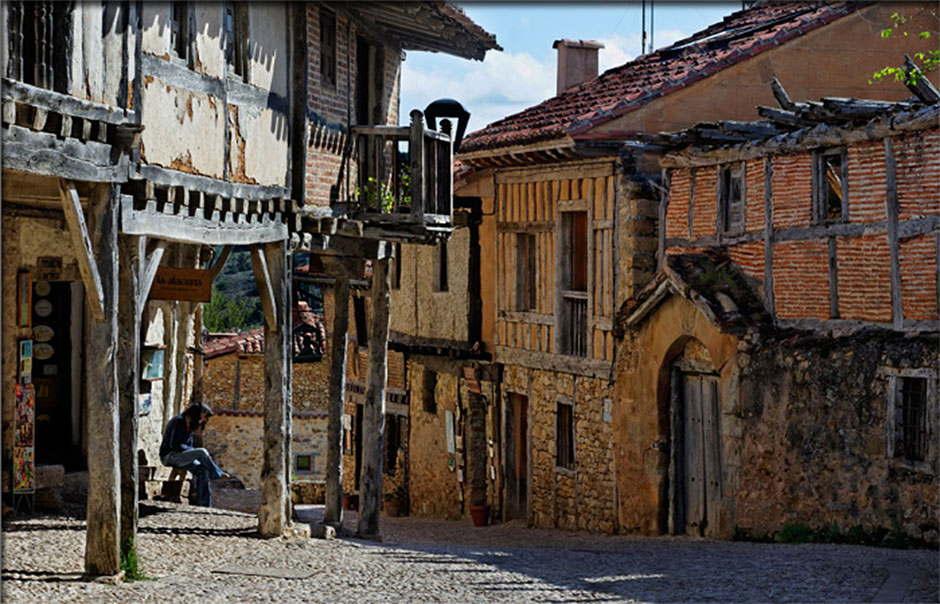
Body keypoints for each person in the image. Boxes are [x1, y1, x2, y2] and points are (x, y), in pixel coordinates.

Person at [159, 401, 227, 507]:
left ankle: (204, 504)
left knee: (202, 470)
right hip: (170, 456)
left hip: (181, 456)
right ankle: (217, 474)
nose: (204, 420)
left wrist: (193, 454)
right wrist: (194, 453)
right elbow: (175, 445)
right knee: (202, 452)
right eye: (204, 417)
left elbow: (189, 447)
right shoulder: (178, 421)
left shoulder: (190, 426)